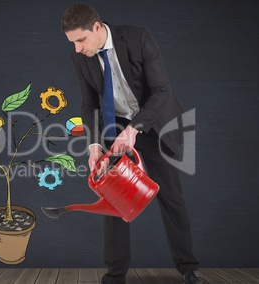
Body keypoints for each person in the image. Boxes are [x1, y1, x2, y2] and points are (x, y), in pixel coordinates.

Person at [61, 4, 201, 284]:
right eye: (72, 42)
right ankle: (115, 275)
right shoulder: (81, 56)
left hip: (154, 120)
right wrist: (93, 145)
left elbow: (162, 91)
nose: (77, 48)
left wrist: (135, 128)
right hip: (116, 124)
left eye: (80, 40)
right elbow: (89, 104)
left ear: (97, 28)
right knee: (113, 199)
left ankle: (188, 268)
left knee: (171, 197)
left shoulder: (138, 38)